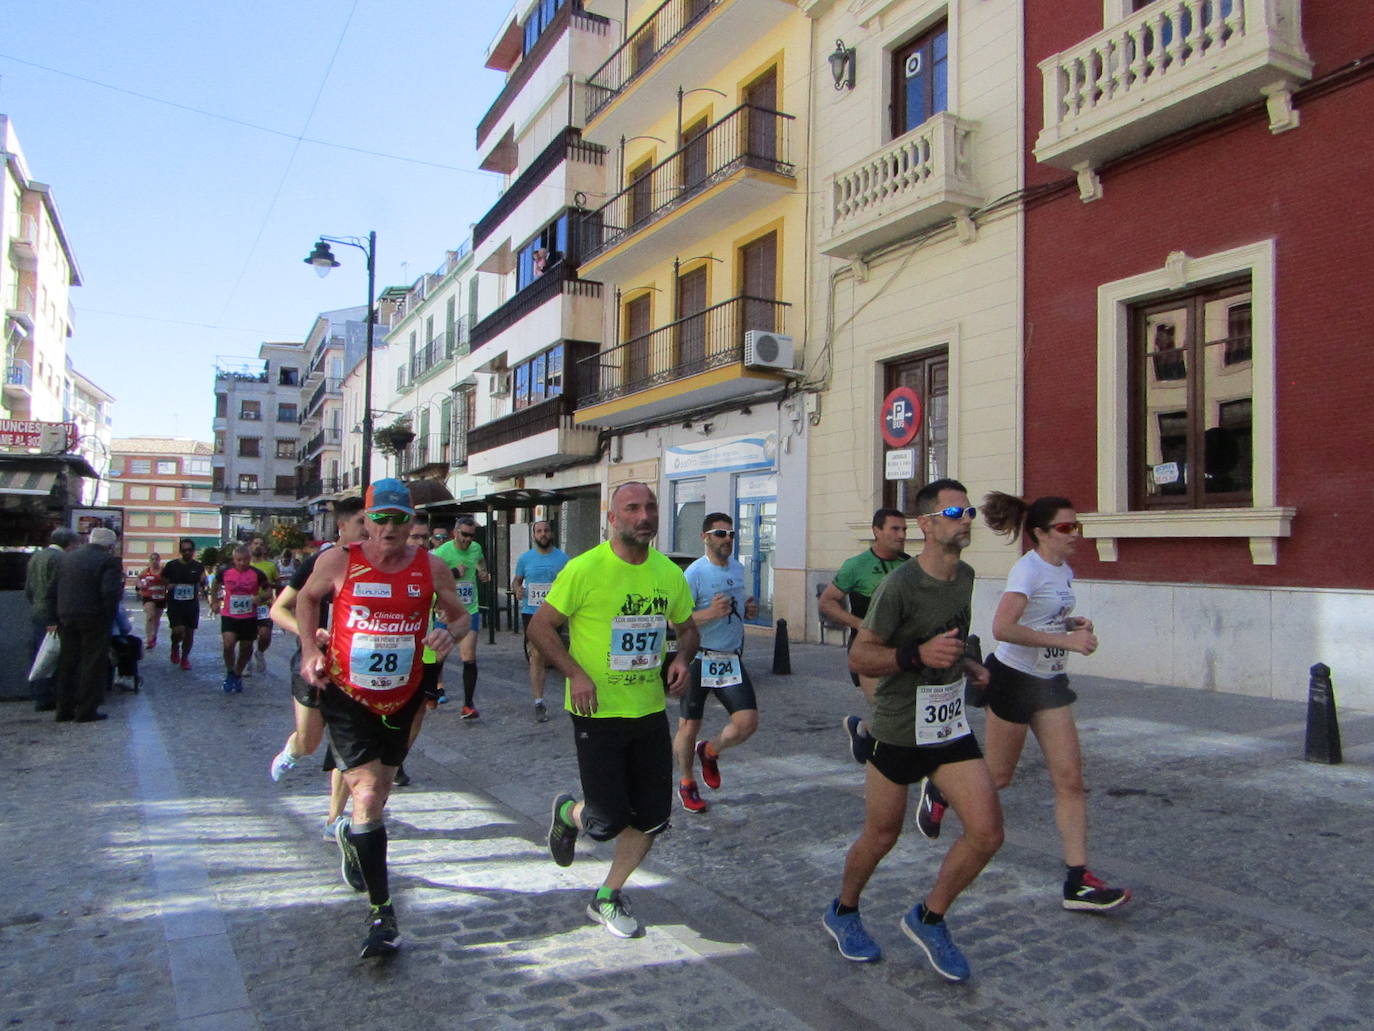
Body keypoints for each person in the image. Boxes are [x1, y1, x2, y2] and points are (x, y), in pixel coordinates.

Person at [822, 479, 999, 984]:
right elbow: (861, 656)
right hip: (899, 725)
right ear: (927, 525)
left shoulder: (964, 576)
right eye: (955, 512)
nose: (966, 519)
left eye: (969, 511)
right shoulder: (898, 586)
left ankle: (928, 917)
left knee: (987, 833)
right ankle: (844, 910)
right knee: (882, 835)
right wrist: (916, 657)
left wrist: (968, 665)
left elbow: (950, 638)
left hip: (947, 723)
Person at [296, 478, 467, 958]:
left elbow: (461, 615)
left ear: (412, 521)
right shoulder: (338, 560)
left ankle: (356, 834)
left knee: (381, 793)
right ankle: (382, 912)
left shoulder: (431, 567)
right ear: (366, 520)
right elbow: (307, 599)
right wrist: (310, 648)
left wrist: (446, 633)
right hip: (347, 694)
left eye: (401, 517)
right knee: (367, 793)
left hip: (404, 696)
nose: (391, 527)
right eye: (381, 517)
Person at [528, 482, 698, 939]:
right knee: (605, 821)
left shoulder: (668, 574)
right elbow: (540, 628)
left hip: (647, 711)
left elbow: (687, 628)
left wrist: (682, 658)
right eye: (633, 508)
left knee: (654, 816)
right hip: (596, 711)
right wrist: (574, 673)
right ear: (613, 517)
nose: (644, 516)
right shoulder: (584, 570)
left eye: (651, 507)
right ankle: (568, 814)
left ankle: (607, 894)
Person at [977, 491, 1130, 912]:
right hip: (1013, 679)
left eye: (1077, 526)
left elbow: (1042, 619)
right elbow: (1003, 627)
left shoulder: (1063, 570)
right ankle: (941, 789)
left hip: (1048, 681)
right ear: (1041, 533)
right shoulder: (1027, 571)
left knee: (1070, 780)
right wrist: (1065, 639)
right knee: (999, 777)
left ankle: (1078, 881)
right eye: (1065, 528)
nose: (1074, 534)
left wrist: (1071, 624)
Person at [267, 497, 368, 817]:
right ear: (343, 526)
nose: (369, 531)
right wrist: (310, 634)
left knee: (346, 744)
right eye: (361, 524)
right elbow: (278, 609)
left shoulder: (377, 565)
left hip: (354, 667)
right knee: (310, 742)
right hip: (314, 663)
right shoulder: (320, 562)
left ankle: (334, 819)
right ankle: (294, 749)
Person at [672, 512, 759, 813]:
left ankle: (710, 751)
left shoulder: (738, 568)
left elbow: (736, 607)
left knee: (747, 723)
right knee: (689, 725)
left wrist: (747, 609)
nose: (727, 539)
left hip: (730, 658)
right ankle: (686, 783)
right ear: (705, 538)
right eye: (720, 533)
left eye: (731, 533)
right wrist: (710, 613)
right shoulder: (694, 574)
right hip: (699, 656)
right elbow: (676, 621)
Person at [820, 510, 909, 757]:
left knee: (901, 715)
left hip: (901, 651)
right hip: (866, 650)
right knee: (887, 712)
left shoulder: (910, 565)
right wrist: (859, 624)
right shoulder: (856, 566)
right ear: (876, 531)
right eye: (895, 529)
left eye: (904, 530)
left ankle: (862, 729)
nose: (902, 535)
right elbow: (827, 602)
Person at [47, 526, 124, 723]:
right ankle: (86, 710)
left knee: (67, 663)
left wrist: (53, 618)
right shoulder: (109, 562)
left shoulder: (66, 559)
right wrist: (109, 617)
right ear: (109, 545)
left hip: (66, 616)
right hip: (94, 617)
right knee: (92, 664)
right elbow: (109, 593)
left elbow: (52, 591)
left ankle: (63, 710)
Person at [511, 519, 570, 723]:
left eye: (546, 531)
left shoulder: (563, 558)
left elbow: (570, 584)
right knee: (537, 654)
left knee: (554, 654)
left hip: (554, 612)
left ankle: (574, 693)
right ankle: (539, 701)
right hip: (531, 612)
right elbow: (516, 582)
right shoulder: (525, 559)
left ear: (551, 534)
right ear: (534, 535)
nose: (543, 534)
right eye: (539, 531)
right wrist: (517, 590)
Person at [432, 515, 490, 719]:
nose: (467, 539)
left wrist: (483, 572)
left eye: (471, 536)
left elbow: (481, 562)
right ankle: (431, 690)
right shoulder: (442, 552)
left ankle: (468, 705)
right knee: (440, 657)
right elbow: (431, 578)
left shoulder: (475, 548)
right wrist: (454, 573)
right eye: (464, 535)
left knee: (469, 656)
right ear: (455, 533)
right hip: (447, 612)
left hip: (469, 611)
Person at [24, 527, 78, 711]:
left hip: (37, 610)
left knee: (39, 653)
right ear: (69, 543)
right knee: (53, 655)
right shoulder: (61, 559)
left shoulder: (36, 557)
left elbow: (29, 588)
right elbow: (58, 590)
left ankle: (39, 693)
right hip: (53, 614)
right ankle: (48, 696)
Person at [213, 545, 271, 694]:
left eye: (245, 560)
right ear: (234, 559)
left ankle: (238, 673)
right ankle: (230, 671)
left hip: (249, 616)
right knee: (228, 644)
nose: (242, 563)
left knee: (246, 648)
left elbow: (268, 591)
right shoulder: (225, 572)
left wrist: (260, 597)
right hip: (229, 615)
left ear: (249, 559)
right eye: (239, 560)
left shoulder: (257, 574)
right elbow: (215, 584)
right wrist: (214, 600)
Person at [162, 539, 205, 671]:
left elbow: (202, 581)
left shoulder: (198, 566)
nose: (187, 552)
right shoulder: (171, 565)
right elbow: (163, 578)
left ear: (193, 551)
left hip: (191, 603)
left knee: (189, 632)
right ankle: (175, 646)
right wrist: (168, 585)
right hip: (175, 603)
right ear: (180, 551)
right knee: (178, 630)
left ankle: (185, 658)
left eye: (189, 550)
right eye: (184, 550)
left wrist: (202, 587)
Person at [248, 536, 279, 675]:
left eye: (261, 544)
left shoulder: (270, 566)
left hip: (264, 606)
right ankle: (246, 659)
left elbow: (277, 584)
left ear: (264, 548)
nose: (258, 546)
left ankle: (260, 652)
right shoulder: (244, 564)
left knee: (265, 635)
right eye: (255, 543)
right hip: (247, 605)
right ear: (250, 546)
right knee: (248, 635)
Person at [136, 553, 168, 649]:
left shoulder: (163, 571)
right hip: (148, 596)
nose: (154, 561)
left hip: (160, 597)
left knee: (156, 619)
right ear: (149, 561)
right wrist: (139, 585)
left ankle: (154, 636)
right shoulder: (146, 571)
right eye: (152, 559)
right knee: (150, 616)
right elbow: (138, 578)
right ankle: (149, 638)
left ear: (159, 560)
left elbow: (169, 582)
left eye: (156, 559)